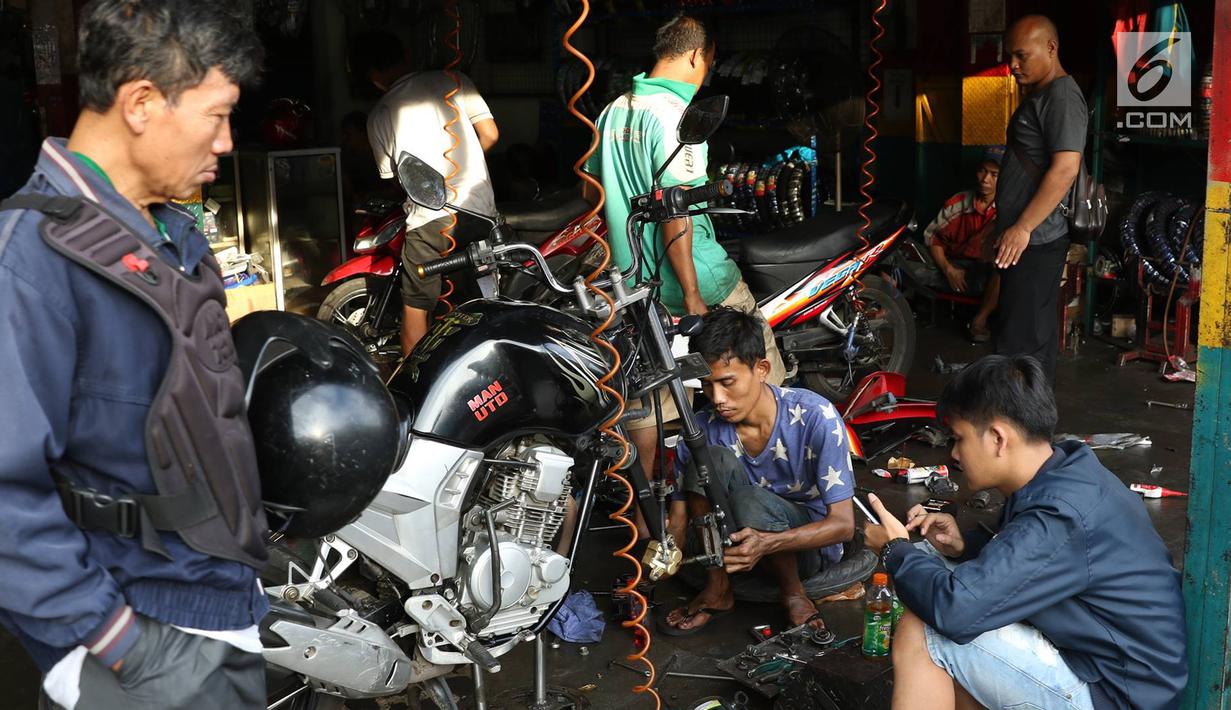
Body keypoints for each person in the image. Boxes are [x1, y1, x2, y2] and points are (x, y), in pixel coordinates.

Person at [0, 1, 270, 707]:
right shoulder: (29, 262)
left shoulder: (167, 234)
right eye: (217, 115)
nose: (227, 142)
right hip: (139, 633)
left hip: (216, 599)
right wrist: (122, 642)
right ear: (142, 103)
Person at [863, 355, 1186, 710]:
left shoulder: (1062, 512)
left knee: (928, 629)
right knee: (937, 578)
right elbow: (1029, 560)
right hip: (1107, 669)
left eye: (959, 439)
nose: (953, 454)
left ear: (998, 438)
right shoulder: (1063, 471)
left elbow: (955, 610)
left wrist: (894, 549)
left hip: (1117, 694)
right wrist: (964, 547)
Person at [582, 15, 784, 532]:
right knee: (762, 380)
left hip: (632, 287)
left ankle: (651, 528)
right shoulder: (678, 116)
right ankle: (762, 507)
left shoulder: (612, 110)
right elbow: (677, 213)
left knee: (649, 406)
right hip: (696, 282)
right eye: (709, 64)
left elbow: (591, 193)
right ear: (697, 55)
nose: (706, 73)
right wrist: (693, 295)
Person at [660, 308, 858, 636]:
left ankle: (793, 593)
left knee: (750, 500)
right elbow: (680, 520)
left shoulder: (815, 416)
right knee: (708, 458)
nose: (717, 398)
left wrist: (768, 542)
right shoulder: (701, 428)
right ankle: (717, 588)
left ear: (762, 369)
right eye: (707, 386)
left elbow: (844, 526)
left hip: (804, 549)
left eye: (727, 382)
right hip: (737, 547)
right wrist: (658, 564)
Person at [352, 31, 501, 355]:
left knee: (417, 305)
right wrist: (467, 170)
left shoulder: (380, 114)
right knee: (484, 301)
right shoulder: (455, 81)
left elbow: (395, 179)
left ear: (373, 75)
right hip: (480, 211)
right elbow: (490, 134)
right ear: (406, 56)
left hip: (429, 221)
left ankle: (415, 382)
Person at [992, 15, 1086, 382]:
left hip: (1036, 239)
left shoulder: (1062, 97)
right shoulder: (1045, 95)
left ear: (1050, 48)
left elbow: (1066, 169)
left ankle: (1019, 416)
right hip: (1027, 238)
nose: (1012, 65)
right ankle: (1033, 415)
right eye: (1009, 56)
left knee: (1020, 345)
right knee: (1028, 341)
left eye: (1021, 55)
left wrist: (1022, 227)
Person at [914, 147, 1003, 343]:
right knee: (898, 256)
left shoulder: (1007, 208)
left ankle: (979, 320)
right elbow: (933, 238)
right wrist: (948, 269)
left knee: (1003, 270)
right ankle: (887, 309)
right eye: (982, 171)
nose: (985, 179)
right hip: (951, 266)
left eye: (994, 174)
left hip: (984, 273)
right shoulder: (959, 202)